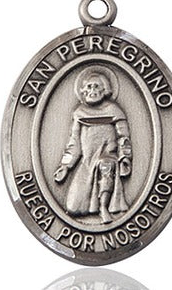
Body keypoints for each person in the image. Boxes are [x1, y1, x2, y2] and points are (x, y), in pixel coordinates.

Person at [54, 67, 132, 223]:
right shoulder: (79, 113)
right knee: (73, 208)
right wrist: (65, 166)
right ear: (83, 91)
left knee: (106, 166)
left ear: (104, 90)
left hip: (108, 157)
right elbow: (74, 143)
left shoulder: (114, 110)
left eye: (96, 86)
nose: (92, 90)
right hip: (87, 161)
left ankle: (103, 207)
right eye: (89, 87)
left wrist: (125, 158)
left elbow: (124, 137)